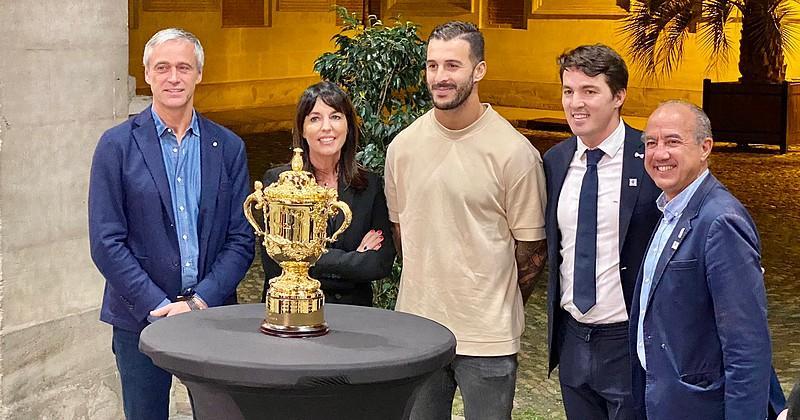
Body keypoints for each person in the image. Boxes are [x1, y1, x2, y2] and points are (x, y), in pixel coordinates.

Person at [384, 21, 547, 420]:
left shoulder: (514, 154)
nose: (440, 77)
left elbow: (531, 253)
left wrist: (495, 305)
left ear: (479, 70)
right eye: (432, 65)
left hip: (488, 340)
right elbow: (402, 235)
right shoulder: (403, 148)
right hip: (419, 332)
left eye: (453, 66)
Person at [88, 28, 254, 420]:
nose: (173, 77)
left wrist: (199, 301)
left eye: (184, 67)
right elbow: (106, 241)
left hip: (212, 316)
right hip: (139, 319)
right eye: (162, 67)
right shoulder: (116, 146)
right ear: (147, 74)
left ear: (199, 73)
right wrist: (159, 305)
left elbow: (240, 239)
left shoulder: (228, 146)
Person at [629, 100, 774, 419]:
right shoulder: (670, 210)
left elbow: (747, 345)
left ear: (705, 147)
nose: (659, 153)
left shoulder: (720, 221)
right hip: (661, 401)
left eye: (673, 141)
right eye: (651, 143)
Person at [542, 44, 661, 420]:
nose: (576, 103)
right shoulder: (555, 161)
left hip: (629, 340)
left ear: (619, 96)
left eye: (589, 91)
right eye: (568, 91)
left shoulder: (651, 159)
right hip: (574, 338)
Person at [260, 81, 395, 306]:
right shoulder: (279, 183)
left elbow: (380, 263)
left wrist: (309, 259)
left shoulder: (369, 185)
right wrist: (355, 258)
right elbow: (276, 263)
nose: (326, 127)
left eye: (335, 117)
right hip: (294, 309)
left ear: (348, 125)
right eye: (315, 118)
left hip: (355, 316)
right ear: (302, 129)